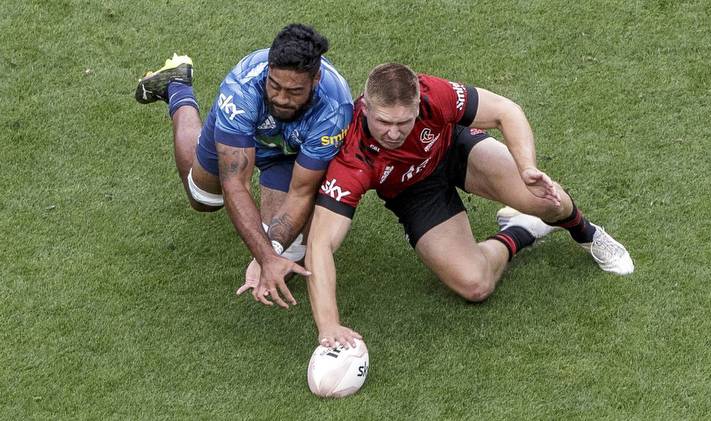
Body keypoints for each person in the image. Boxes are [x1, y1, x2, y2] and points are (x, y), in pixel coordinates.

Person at [303, 63, 634, 347]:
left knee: (546, 200)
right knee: (476, 285)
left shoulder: (434, 93)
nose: (393, 133)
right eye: (384, 123)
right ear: (365, 110)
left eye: (403, 122)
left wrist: (527, 167)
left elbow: (506, 111)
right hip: (415, 194)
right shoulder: (352, 158)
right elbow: (321, 243)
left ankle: (587, 234)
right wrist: (329, 325)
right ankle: (522, 229)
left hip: (457, 152)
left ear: (418, 103)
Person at [134, 24, 353, 308]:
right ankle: (177, 87)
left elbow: (302, 192)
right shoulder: (241, 88)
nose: (281, 98)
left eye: (294, 91)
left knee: (288, 262)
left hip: (290, 154)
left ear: (316, 79)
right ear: (269, 71)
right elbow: (235, 183)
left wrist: (271, 253)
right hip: (241, 133)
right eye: (275, 86)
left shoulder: (335, 109)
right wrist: (264, 257)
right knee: (203, 200)